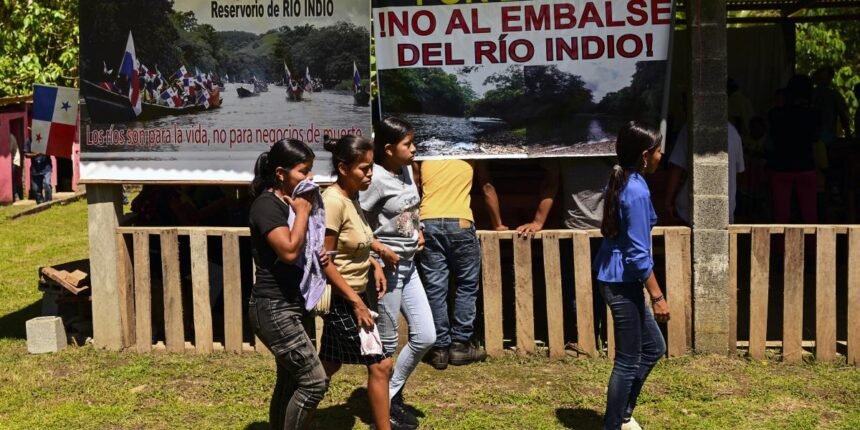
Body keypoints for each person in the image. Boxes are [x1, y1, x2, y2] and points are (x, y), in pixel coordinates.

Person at [247, 139, 329, 430]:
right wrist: (304, 211)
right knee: (314, 381)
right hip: (273, 308)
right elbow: (289, 250)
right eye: (302, 172)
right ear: (280, 173)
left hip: (294, 303)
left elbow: (301, 249)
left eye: (310, 171)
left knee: (290, 380)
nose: (309, 179)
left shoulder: (289, 203)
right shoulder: (266, 206)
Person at [594, 121, 669, 430]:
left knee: (654, 348)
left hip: (618, 278)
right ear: (644, 155)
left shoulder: (628, 180)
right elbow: (638, 256)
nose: (662, 155)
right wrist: (658, 296)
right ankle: (614, 424)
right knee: (627, 360)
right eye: (658, 150)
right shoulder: (634, 190)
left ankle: (623, 414)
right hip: (621, 281)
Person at [360, 117, 434, 428]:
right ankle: (385, 407)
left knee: (426, 335)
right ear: (389, 149)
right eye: (408, 144)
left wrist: (418, 230)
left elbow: (407, 211)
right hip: (386, 271)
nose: (414, 149)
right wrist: (377, 251)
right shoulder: (373, 179)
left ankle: (389, 394)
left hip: (410, 266)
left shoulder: (404, 170)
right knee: (387, 346)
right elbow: (358, 222)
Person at [319, 135, 395, 430]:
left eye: (371, 167)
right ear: (343, 168)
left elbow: (357, 241)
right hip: (344, 298)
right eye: (363, 169)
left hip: (357, 293)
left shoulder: (352, 197)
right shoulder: (333, 201)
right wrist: (356, 302)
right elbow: (325, 260)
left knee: (328, 365)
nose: (370, 174)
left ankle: (296, 414)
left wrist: (374, 262)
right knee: (381, 365)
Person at [414, 159, 506, 370]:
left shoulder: (425, 155)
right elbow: (487, 187)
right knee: (466, 284)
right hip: (461, 221)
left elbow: (415, 188)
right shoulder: (470, 154)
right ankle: (460, 344)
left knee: (435, 288)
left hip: (428, 221)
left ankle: (439, 349)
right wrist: (498, 224)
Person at [664, 123, 745, 225]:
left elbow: (677, 167)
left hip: (689, 212)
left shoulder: (691, 127)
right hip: (724, 213)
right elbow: (737, 173)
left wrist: (668, 203)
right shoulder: (733, 132)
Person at [767, 74, 821, 225]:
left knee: (781, 214)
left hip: (781, 167)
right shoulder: (813, 114)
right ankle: (812, 247)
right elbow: (815, 138)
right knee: (809, 213)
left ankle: (779, 248)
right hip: (805, 166)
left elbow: (772, 136)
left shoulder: (775, 114)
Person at [812, 66, 852, 143]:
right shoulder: (812, 93)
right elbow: (843, 116)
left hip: (825, 136)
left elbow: (843, 115)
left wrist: (848, 135)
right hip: (822, 137)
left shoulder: (833, 94)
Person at [23, 131, 52, 204]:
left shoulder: (46, 139)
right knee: (36, 189)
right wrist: (36, 154)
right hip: (35, 169)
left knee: (47, 184)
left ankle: (49, 202)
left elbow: (53, 149)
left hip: (46, 167)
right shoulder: (29, 140)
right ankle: (40, 204)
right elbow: (26, 154)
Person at [10, 132, 22, 201]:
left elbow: (9, 150)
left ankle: (15, 195)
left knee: (12, 179)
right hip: (11, 161)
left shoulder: (10, 137)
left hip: (13, 161)